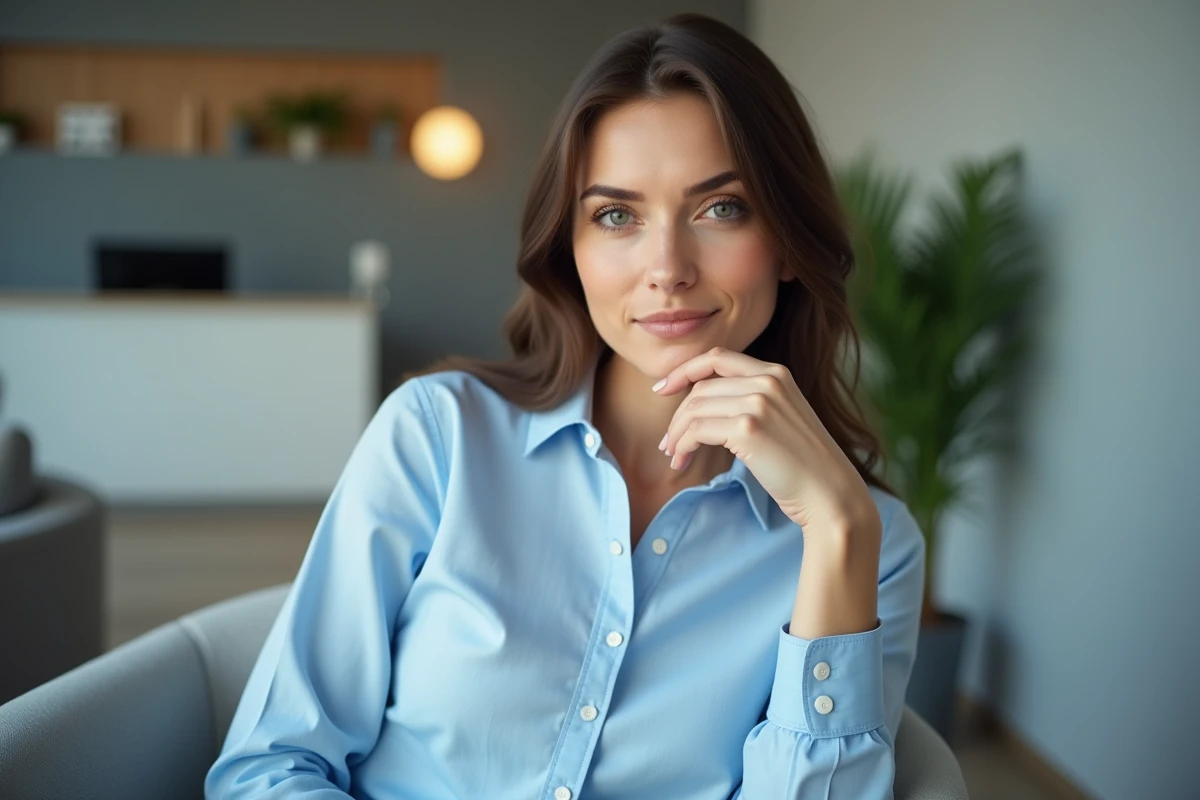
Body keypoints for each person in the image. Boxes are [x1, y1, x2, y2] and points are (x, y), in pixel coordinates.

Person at [206, 12, 924, 800]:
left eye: (721, 208)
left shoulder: (870, 542)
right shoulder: (437, 435)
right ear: (570, 247)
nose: (667, 268)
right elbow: (271, 767)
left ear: (787, 238)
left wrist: (839, 533)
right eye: (616, 216)